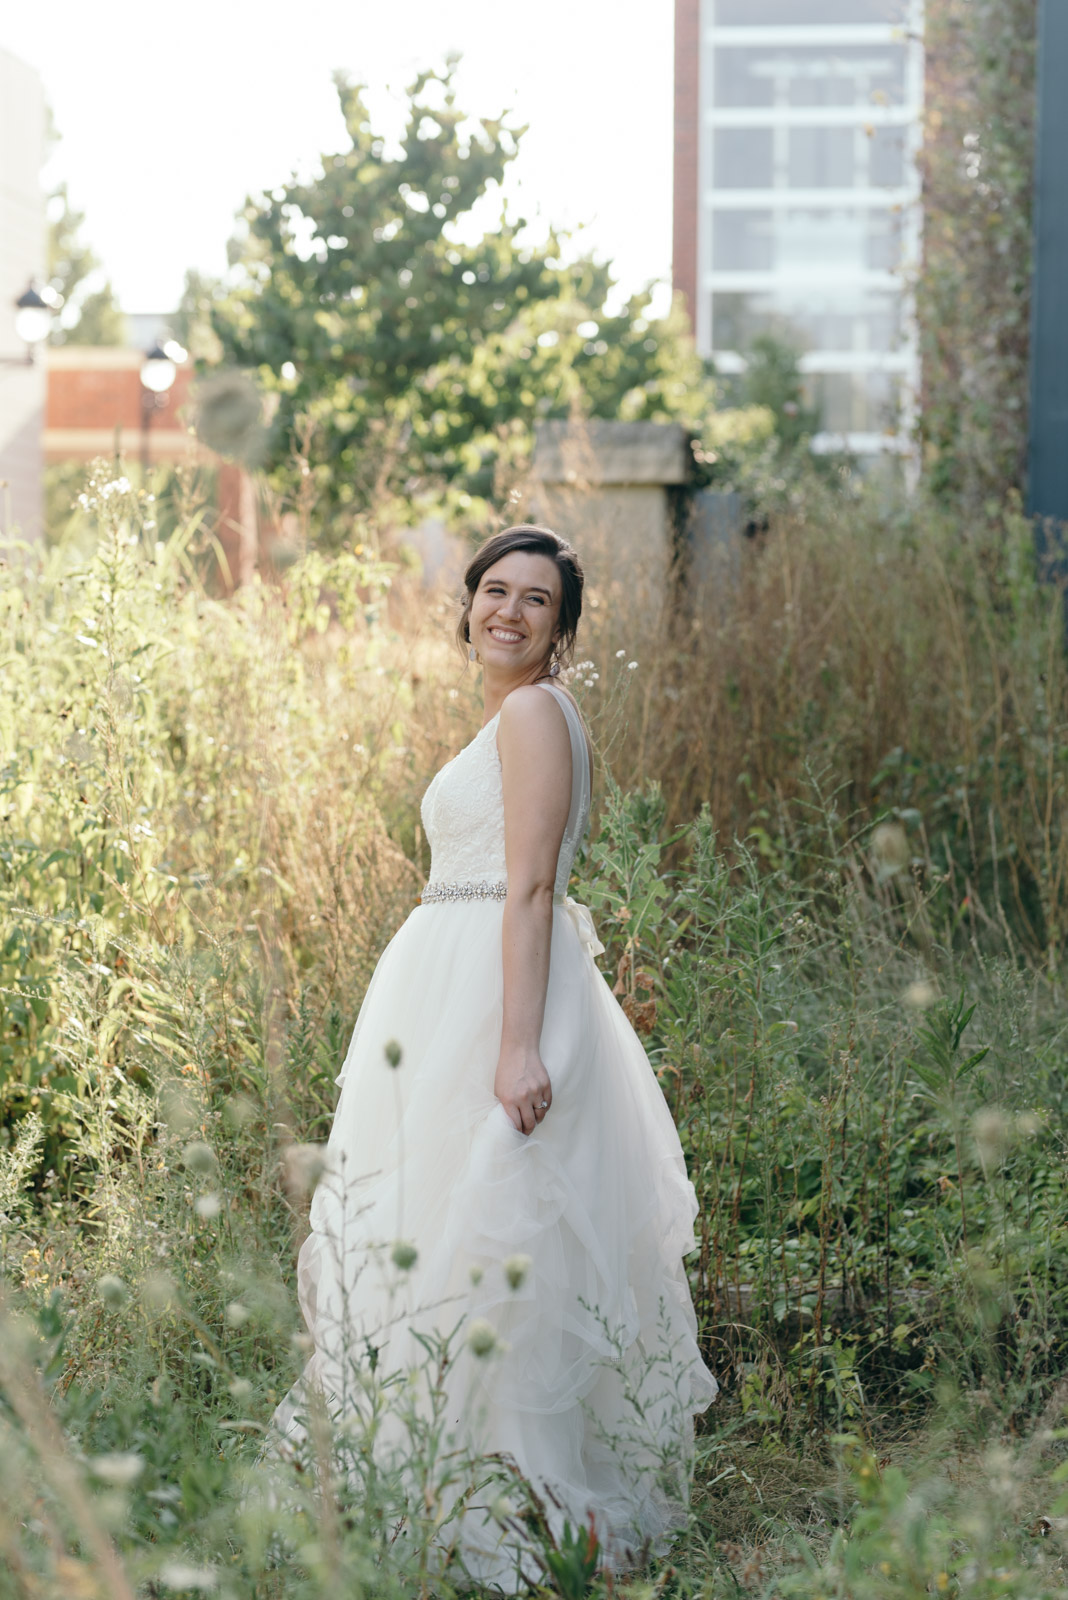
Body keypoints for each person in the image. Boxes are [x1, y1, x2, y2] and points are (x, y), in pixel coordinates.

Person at [270, 525, 716, 1580]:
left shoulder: (530, 712)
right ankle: (452, 1475)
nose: (508, 612)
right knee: (449, 1229)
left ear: (560, 628)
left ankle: (519, 1497)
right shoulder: (517, 714)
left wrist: (516, 1049)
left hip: (495, 998)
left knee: (488, 1231)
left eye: (536, 602)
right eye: (494, 592)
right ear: (467, 602)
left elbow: (528, 888)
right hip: (459, 983)